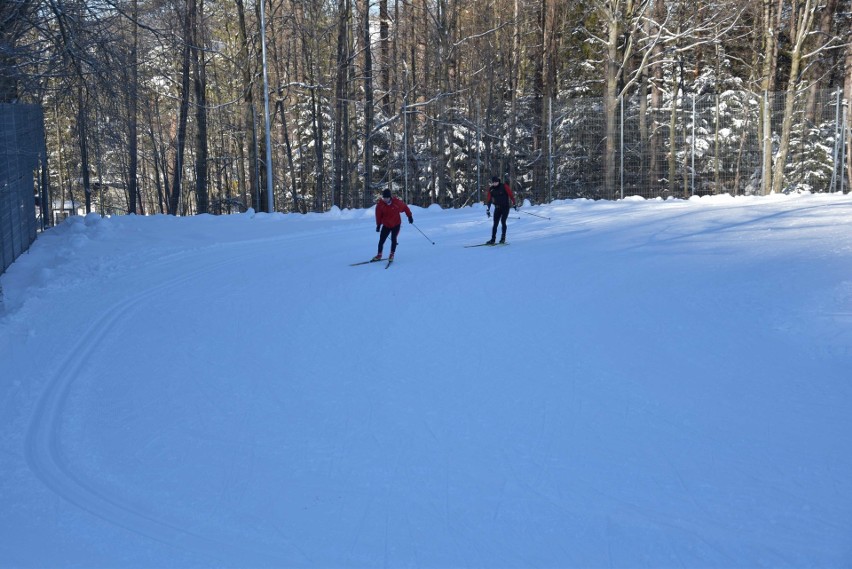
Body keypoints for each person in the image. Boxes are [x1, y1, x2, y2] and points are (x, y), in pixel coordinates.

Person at [373, 189, 413, 261]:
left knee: (393, 238)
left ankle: (392, 254)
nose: (385, 199)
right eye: (384, 198)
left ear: (390, 197)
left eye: (387, 198)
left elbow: (405, 207)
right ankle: (379, 255)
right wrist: (378, 225)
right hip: (386, 225)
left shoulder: (396, 203)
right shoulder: (380, 205)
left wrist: (409, 216)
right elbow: (378, 216)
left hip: (396, 224)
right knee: (381, 240)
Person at [485, 176, 516, 244]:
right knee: (495, 224)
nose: (495, 183)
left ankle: (503, 238)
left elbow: (510, 194)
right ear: (492, 183)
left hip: (505, 207)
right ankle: (493, 239)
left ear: (498, 181)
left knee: (503, 221)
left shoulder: (504, 186)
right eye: (494, 182)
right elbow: (489, 200)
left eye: (496, 182)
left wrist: (514, 203)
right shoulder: (491, 189)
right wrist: (488, 209)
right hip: (497, 208)